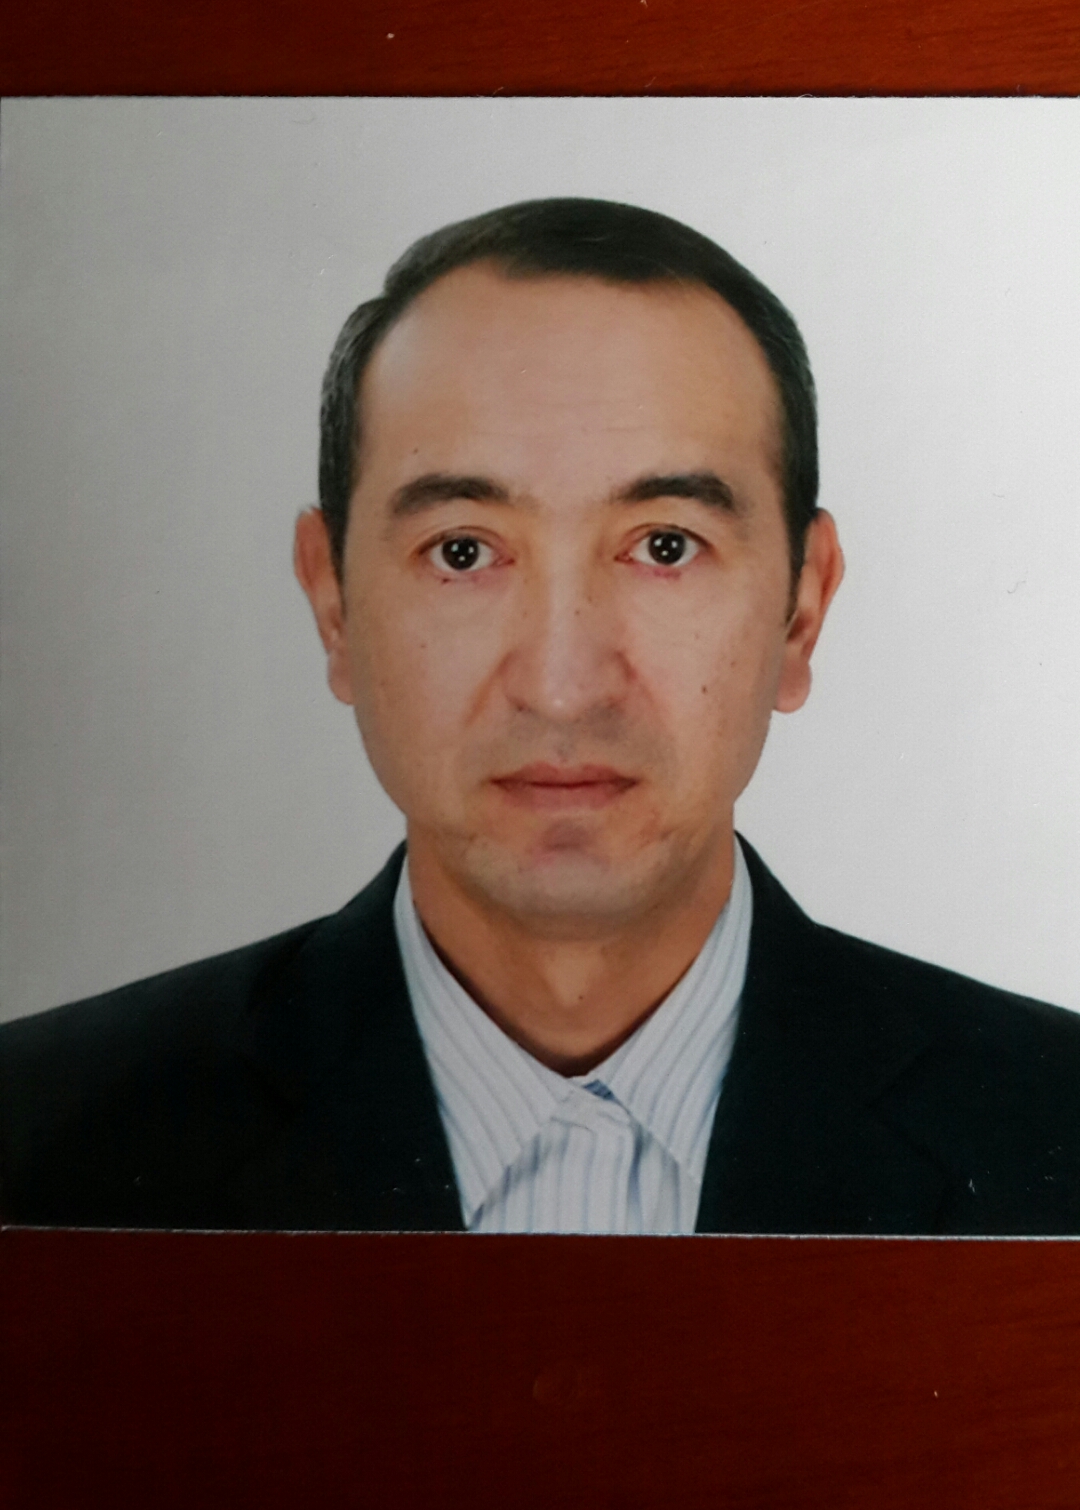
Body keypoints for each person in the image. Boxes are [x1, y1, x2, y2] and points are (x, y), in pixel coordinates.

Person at [3, 197, 1079, 1234]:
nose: (565, 687)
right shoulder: (42, 1133)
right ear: (333, 604)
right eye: (463, 551)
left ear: (802, 610)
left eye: (665, 546)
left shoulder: (1052, 1129)